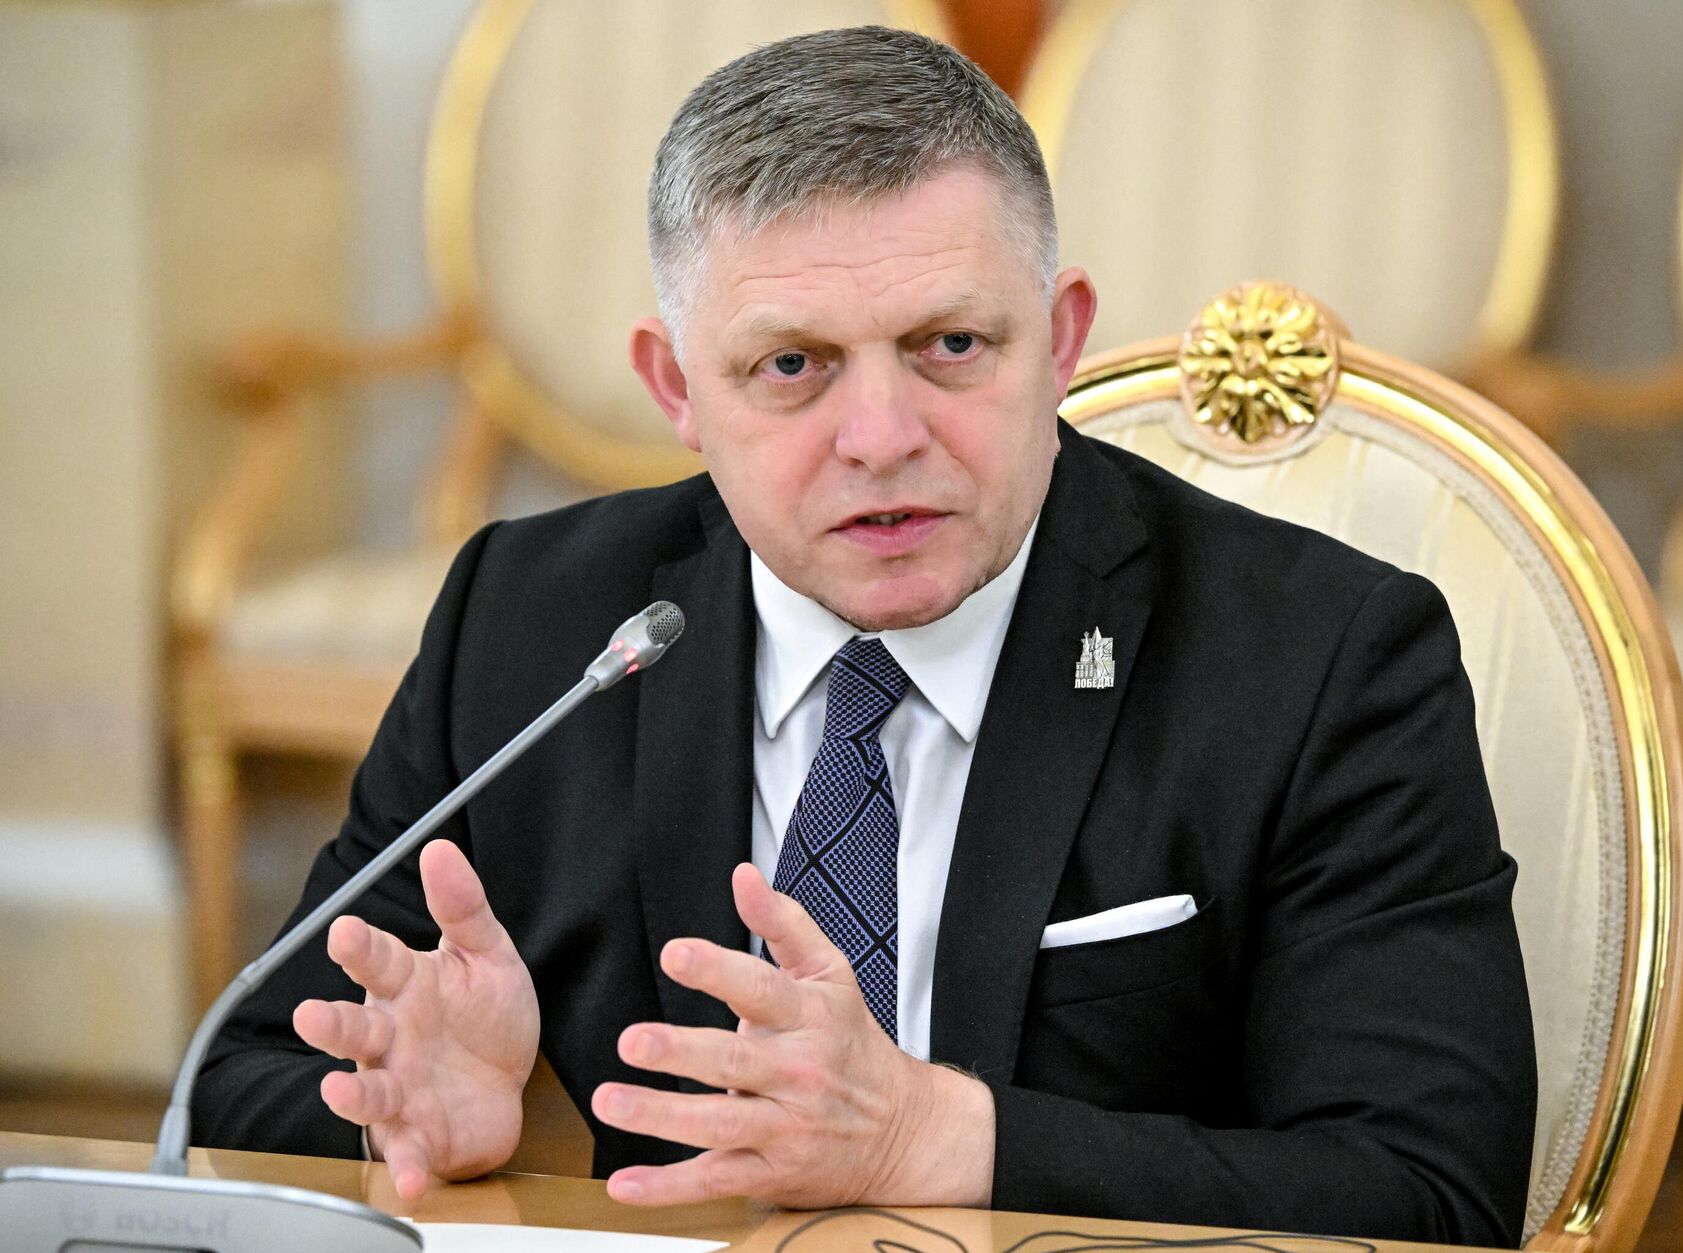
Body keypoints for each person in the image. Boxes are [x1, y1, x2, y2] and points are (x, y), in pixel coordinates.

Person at [194, 26, 1535, 1246]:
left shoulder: (1320, 658)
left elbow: (1432, 1190)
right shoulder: (534, 622)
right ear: (676, 387)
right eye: (792, 366)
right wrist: (467, 1128)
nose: (882, 438)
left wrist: (938, 1138)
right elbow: (236, 1069)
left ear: (1060, 339)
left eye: (950, 345)